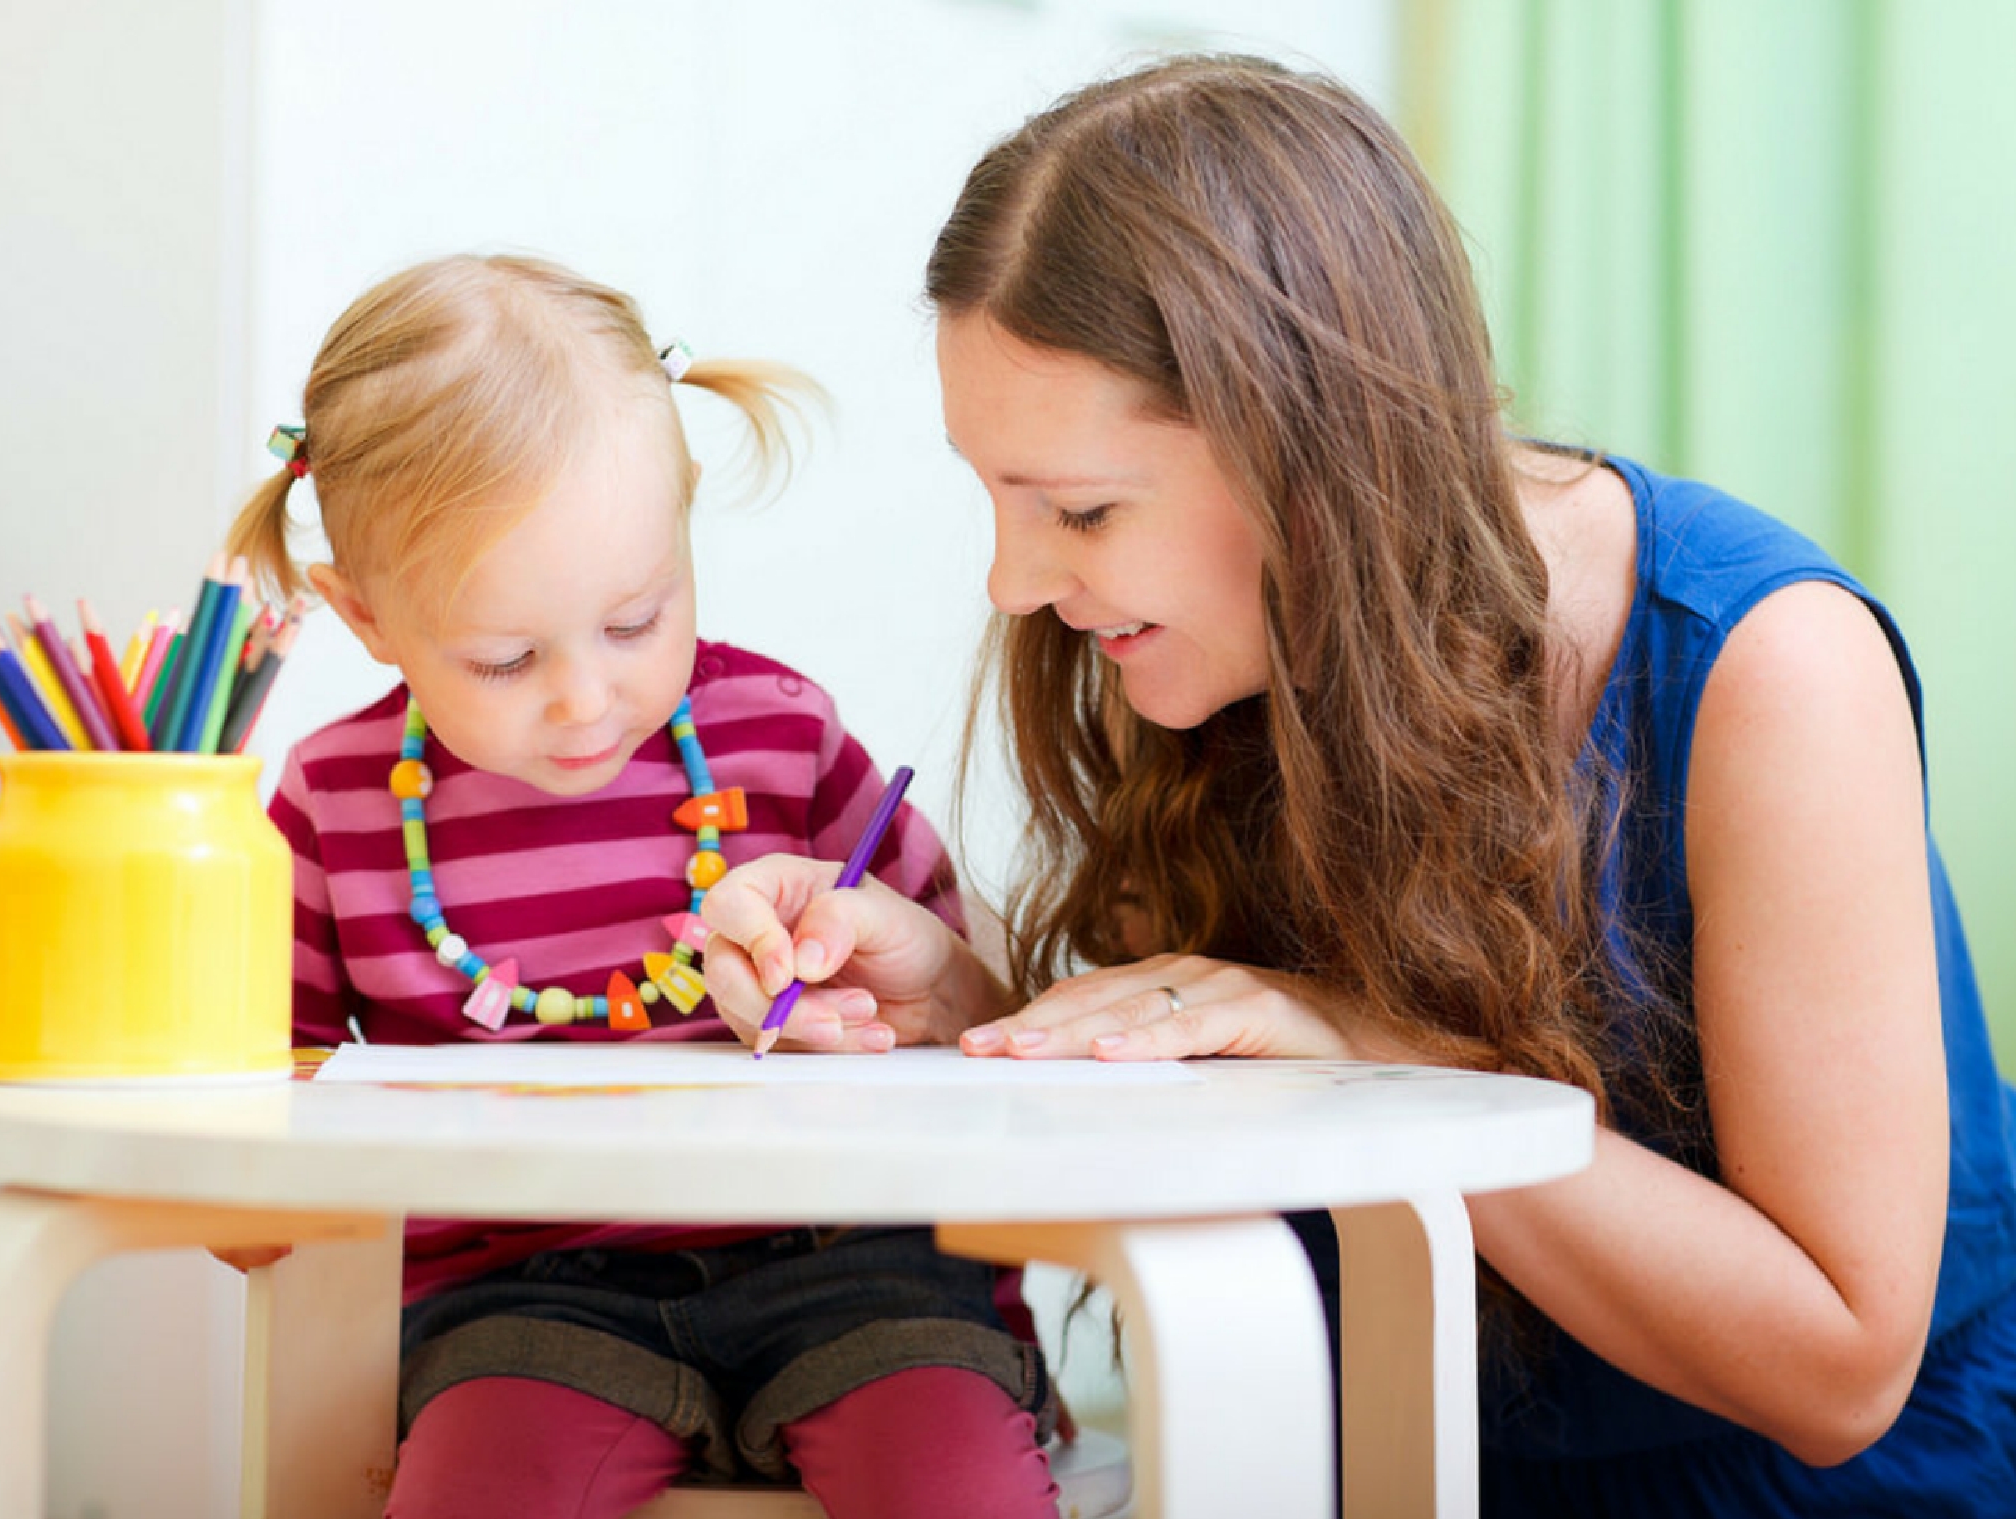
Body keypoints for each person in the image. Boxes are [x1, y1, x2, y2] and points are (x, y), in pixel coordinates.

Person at [698, 53, 2016, 1516]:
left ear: (1308, 458)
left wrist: (1369, 1053)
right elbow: (1239, 1059)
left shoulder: (1767, 667)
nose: (1013, 580)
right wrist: (966, 999)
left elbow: (1837, 1368)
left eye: (1077, 508)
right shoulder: (1215, 652)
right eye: (994, 493)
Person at [224, 253, 1060, 1519]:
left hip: (857, 1264)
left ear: (682, 523)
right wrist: (251, 1180)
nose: (584, 697)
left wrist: (879, 990)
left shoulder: (780, 738)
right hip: (520, 1303)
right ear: (364, 615)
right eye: (503, 657)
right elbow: (256, 1086)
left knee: (959, 1489)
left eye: (635, 621)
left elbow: (984, 1017)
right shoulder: (335, 807)